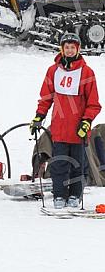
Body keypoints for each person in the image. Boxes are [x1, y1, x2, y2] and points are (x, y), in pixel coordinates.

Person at [30, 32, 101, 209]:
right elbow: (46, 97)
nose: (69, 51)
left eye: (72, 47)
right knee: (59, 164)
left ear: (78, 49)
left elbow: (94, 104)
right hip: (59, 128)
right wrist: (39, 116)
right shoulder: (53, 71)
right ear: (62, 49)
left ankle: (75, 195)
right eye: (66, 47)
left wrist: (86, 122)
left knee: (79, 165)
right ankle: (59, 195)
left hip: (79, 130)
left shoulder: (86, 72)